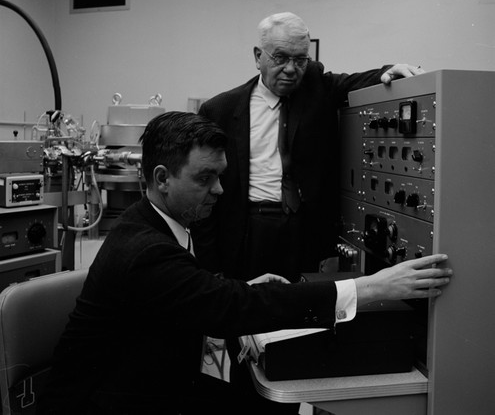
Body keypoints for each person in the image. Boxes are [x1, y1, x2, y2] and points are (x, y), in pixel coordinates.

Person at [36, 111, 451, 415]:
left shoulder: (163, 222)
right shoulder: (143, 248)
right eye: (204, 179)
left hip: (147, 376)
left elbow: (193, 293)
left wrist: (240, 289)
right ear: (162, 178)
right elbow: (231, 307)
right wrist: (373, 286)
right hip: (115, 402)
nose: (219, 190)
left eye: (221, 176)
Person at [191, 11, 426, 414]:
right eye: (281, 57)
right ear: (257, 55)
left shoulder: (316, 87)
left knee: (298, 331)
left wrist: (392, 69)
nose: (291, 68)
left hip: (303, 231)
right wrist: (211, 264)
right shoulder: (220, 109)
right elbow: (208, 194)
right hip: (248, 229)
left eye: (300, 59)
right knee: (243, 327)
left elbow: (353, 81)